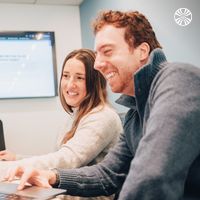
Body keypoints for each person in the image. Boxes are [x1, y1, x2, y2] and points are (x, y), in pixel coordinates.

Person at [5, 10, 200, 200]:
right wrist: (52, 176)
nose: (97, 64)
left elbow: (152, 176)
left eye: (107, 51)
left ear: (142, 51)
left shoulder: (179, 78)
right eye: (97, 54)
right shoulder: (134, 113)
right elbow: (107, 174)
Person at [1, 48, 122, 199]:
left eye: (79, 78)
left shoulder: (103, 117)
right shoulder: (77, 114)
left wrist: (8, 168)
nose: (70, 84)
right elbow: (58, 157)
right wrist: (17, 159)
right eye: (66, 76)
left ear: (93, 82)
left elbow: (68, 159)